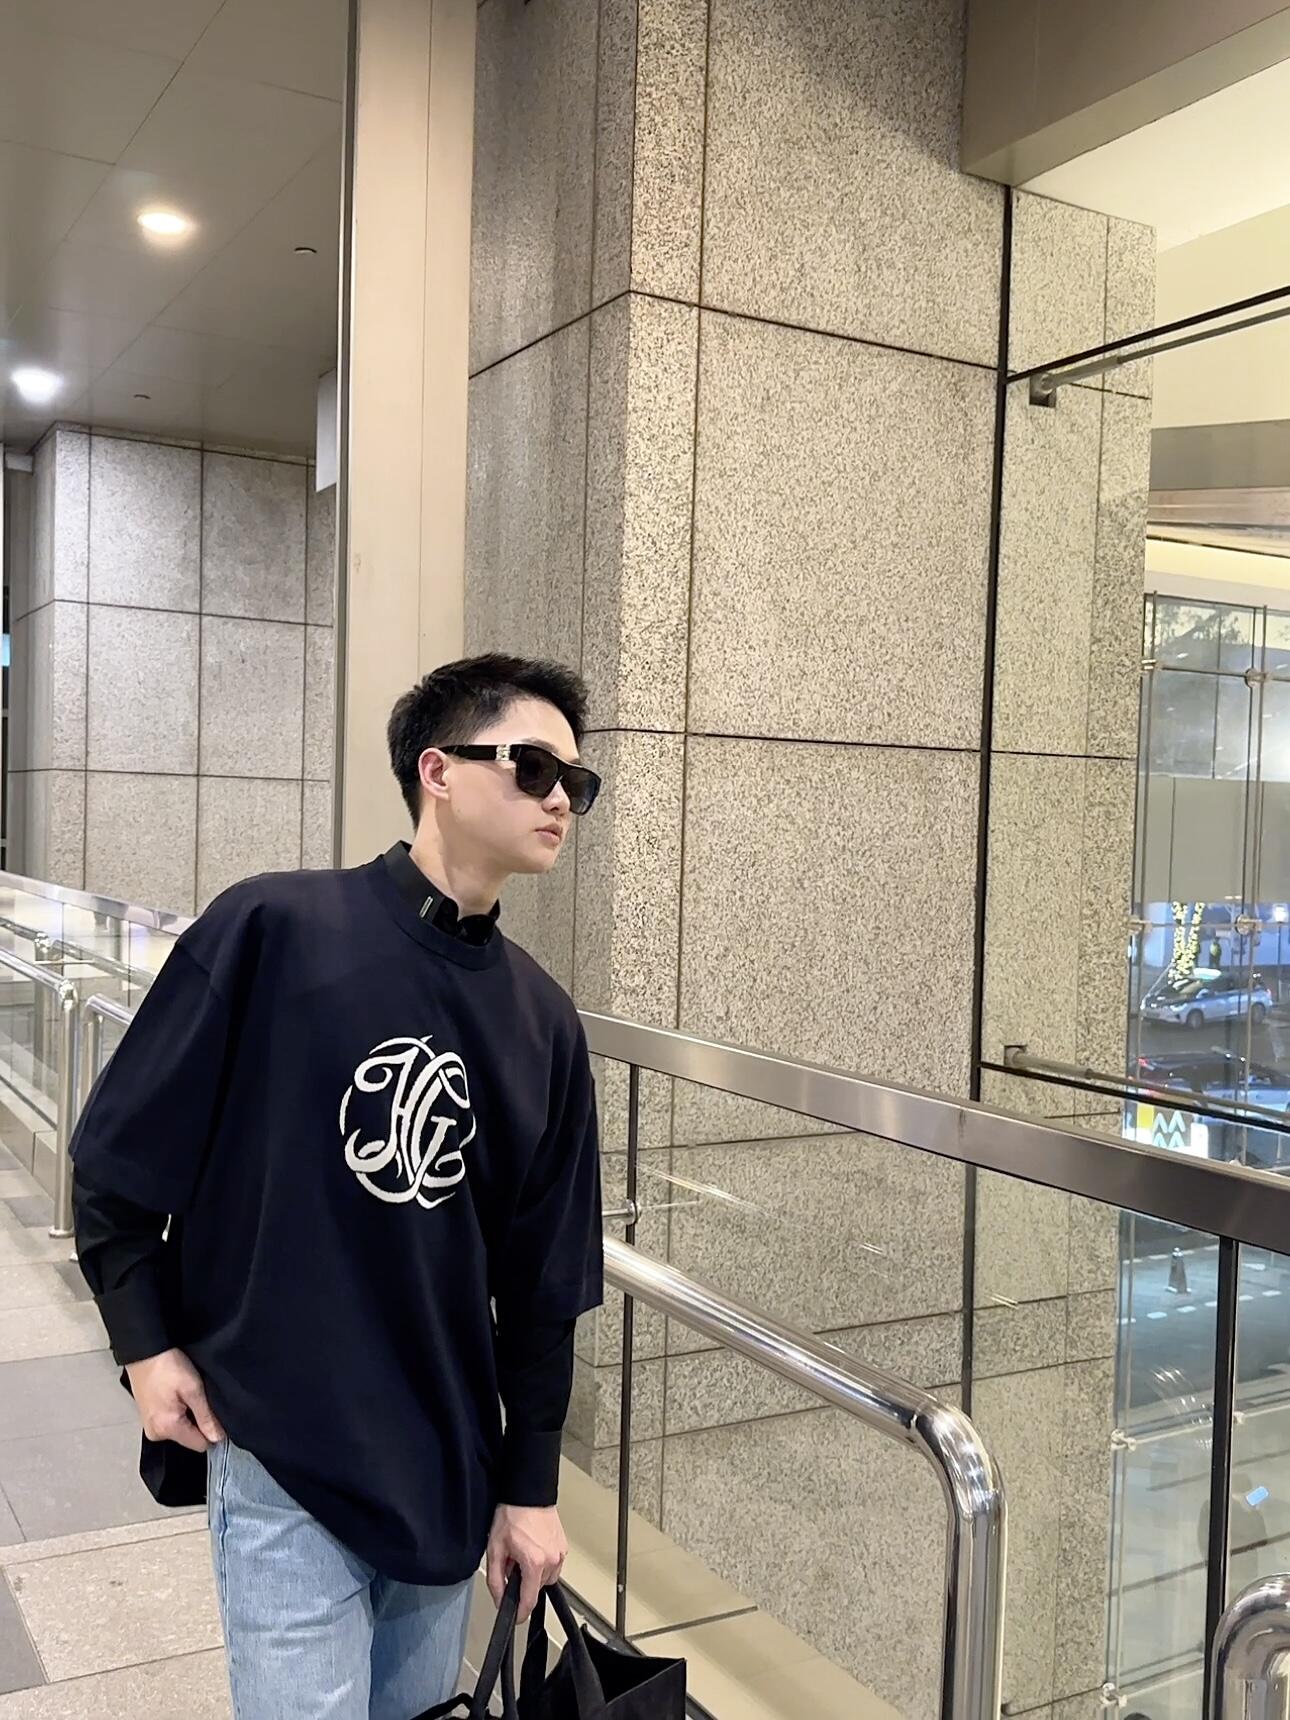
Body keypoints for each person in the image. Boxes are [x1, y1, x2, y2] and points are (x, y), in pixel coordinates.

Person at [71, 654, 606, 1720]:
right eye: (535, 767)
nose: (561, 799)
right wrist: (144, 1342)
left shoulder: (544, 1023)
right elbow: (121, 1152)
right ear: (438, 771)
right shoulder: (272, 929)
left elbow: (544, 1291)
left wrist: (530, 1488)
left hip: (445, 1472)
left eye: (576, 784)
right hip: (282, 1448)